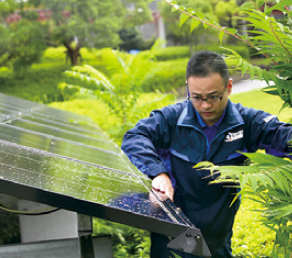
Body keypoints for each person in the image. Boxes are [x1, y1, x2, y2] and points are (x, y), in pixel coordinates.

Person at [121, 50, 292, 258]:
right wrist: (158, 173)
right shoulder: (171, 119)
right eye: (196, 97)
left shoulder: (247, 123)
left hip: (216, 239)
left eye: (213, 97)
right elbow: (135, 138)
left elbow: (283, 137)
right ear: (188, 88)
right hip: (170, 237)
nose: (205, 106)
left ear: (229, 87)